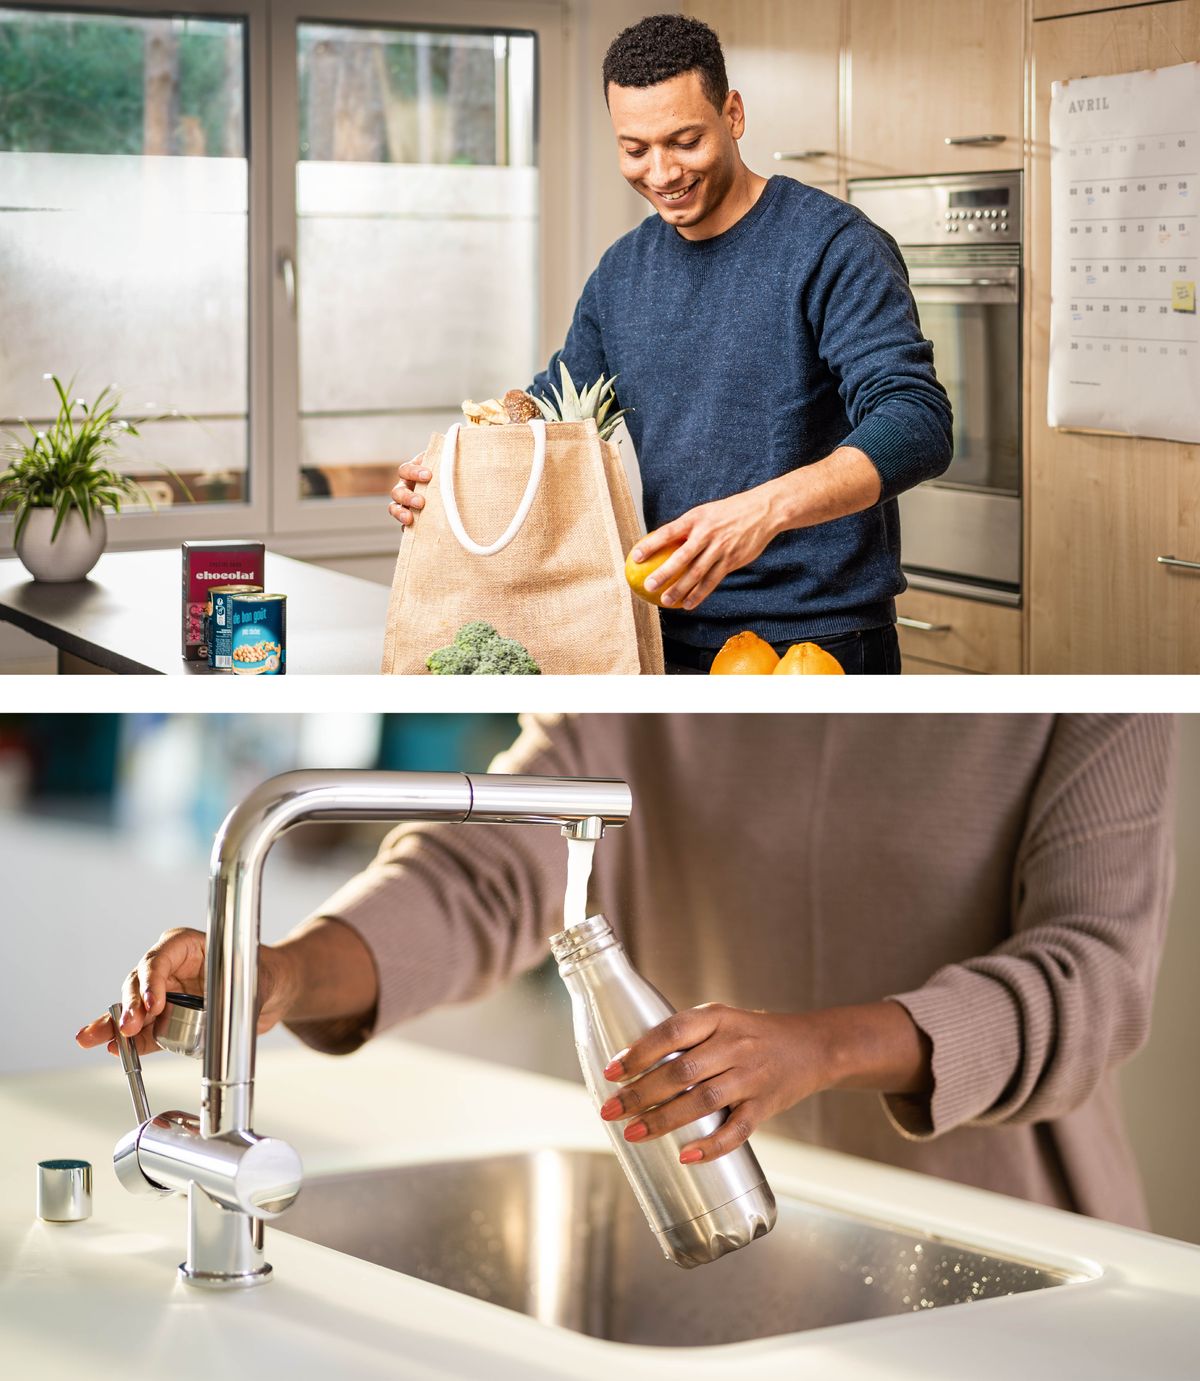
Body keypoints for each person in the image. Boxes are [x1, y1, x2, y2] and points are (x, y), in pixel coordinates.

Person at [78, 714, 1176, 1228]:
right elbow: (489, 867)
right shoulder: (656, 654)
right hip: (718, 1200)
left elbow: (1096, 972)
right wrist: (281, 970)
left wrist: (819, 1045)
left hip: (1006, 1232)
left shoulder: (1099, 686)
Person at [388, 15, 952, 675]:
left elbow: (917, 421)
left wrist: (762, 512)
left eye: (684, 140)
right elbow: (548, 411)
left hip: (817, 641)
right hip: (659, 632)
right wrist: (454, 474)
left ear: (733, 114)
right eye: (635, 149)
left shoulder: (834, 246)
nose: (662, 172)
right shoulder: (621, 274)